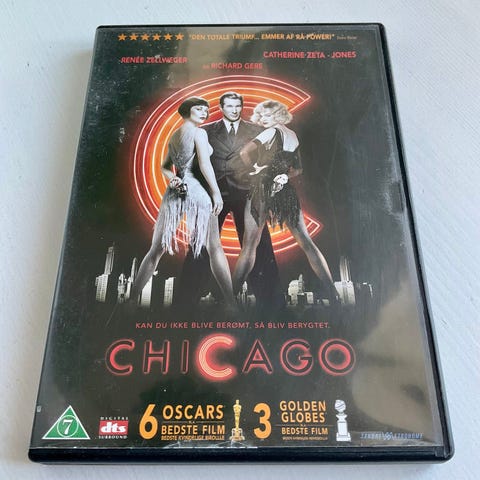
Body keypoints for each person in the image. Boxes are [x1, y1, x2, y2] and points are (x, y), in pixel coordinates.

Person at [174, 92, 283, 309]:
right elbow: (186, 161)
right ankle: (184, 305)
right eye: (230, 106)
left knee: (260, 246)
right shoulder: (205, 131)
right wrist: (189, 190)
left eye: (237, 106)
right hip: (214, 193)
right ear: (221, 108)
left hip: (248, 194)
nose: (234, 110)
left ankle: (272, 306)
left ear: (242, 107)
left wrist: (269, 194)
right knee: (199, 245)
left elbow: (272, 163)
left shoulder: (258, 131)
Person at [232, 100, 339, 306]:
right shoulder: (293, 135)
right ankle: (333, 294)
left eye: (267, 115)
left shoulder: (270, 132)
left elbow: (244, 153)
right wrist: (283, 176)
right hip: (285, 190)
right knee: (306, 242)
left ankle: (230, 297)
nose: (263, 119)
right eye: (261, 115)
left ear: (278, 115)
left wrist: (257, 170)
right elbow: (298, 169)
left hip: (262, 189)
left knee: (249, 245)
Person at [131, 97, 235, 308]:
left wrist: (173, 179)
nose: (205, 112)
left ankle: (131, 300)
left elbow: (165, 167)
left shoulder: (175, 135)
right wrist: (216, 193)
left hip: (175, 191)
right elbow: (204, 165)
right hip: (196, 189)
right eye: (199, 109)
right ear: (187, 111)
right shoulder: (199, 133)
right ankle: (231, 303)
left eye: (206, 109)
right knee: (214, 247)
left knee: (156, 249)